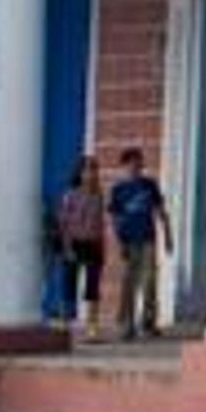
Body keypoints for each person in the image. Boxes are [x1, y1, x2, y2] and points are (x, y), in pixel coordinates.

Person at [106, 146, 171, 340]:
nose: (136, 166)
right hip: (128, 240)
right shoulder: (118, 190)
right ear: (124, 165)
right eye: (132, 163)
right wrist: (119, 241)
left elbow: (160, 210)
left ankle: (148, 322)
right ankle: (126, 324)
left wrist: (168, 235)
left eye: (139, 162)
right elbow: (114, 218)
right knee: (129, 282)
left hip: (148, 238)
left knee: (149, 280)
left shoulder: (149, 185)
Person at [54, 155, 107, 341]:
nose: (91, 174)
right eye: (87, 170)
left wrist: (102, 246)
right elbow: (63, 223)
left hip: (93, 244)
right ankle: (65, 324)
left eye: (94, 170)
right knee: (69, 284)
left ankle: (92, 327)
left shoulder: (99, 196)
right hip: (74, 242)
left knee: (93, 286)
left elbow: (100, 223)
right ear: (80, 173)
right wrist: (67, 247)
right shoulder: (70, 195)